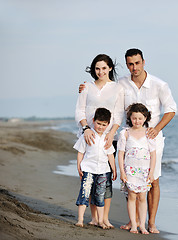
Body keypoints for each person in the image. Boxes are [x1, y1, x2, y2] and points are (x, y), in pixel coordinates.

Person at [79, 48, 177, 233]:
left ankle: (151, 223)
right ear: (127, 65)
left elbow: (171, 109)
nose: (134, 67)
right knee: (129, 180)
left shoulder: (159, 84)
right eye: (130, 64)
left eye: (137, 63)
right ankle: (134, 221)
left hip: (151, 138)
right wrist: (86, 88)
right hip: (127, 138)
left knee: (153, 180)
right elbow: (104, 90)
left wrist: (156, 129)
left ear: (143, 62)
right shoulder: (121, 84)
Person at [75, 54, 124, 228]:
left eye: (104, 68)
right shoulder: (87, 87)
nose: (100, 71)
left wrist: (112, 133)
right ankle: (94, 218)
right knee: (89, 176)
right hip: (88, 135)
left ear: (110, 68)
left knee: (105, 179)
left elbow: (118, 114)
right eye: (97, 68)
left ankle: (105, 218)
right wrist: (85, 128)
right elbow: (80, 111)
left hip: (109, 137)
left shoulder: (118, 88)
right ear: (93, 70)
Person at [73, 108, 117, 229]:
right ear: (93, 121)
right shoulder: (87, 135)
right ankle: (80, 219)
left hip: (103, 171)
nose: (100, 127)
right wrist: (79, 166)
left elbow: (110, 155)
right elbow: (80, 152)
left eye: (104, 125)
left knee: (100, 195)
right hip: (88, 169)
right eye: (98, 123)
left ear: (108, 125)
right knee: (85, 193)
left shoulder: (107, 138)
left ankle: (101, 221)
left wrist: (114, 169)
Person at [118, 103, 156, 234]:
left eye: (140, 118)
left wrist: (151, 172)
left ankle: (143, 226)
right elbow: (121, 153)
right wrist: (122, 172)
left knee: (142, 198)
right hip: (130, 170)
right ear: (130, 118)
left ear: (145, 118)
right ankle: (133, 225)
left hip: (144, 172)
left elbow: (153, 154)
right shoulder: (125, 133)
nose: (137, 121)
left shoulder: (148, 133)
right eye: (134, 118)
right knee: (132, 197)